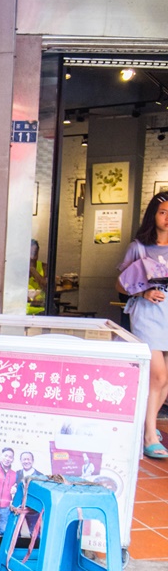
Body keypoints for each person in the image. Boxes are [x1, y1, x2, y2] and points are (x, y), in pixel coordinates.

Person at [118, 192, 168, 458]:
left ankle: (143, 426)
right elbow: (121, 284)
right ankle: (150, 433)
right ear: (153, 215)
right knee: (157, 374)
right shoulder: (139, 246)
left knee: (166, 377)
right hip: (149, 311)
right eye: (163, 212)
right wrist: (143, 292)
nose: (167, 218)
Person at [28, 239, 47, 314]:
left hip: (41, 308)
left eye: (35, 252)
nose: (32, 256)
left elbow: (48, 287)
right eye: (31, 252)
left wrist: (33, 271)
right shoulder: (19, 268)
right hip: (24, 308)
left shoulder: (44, 267)